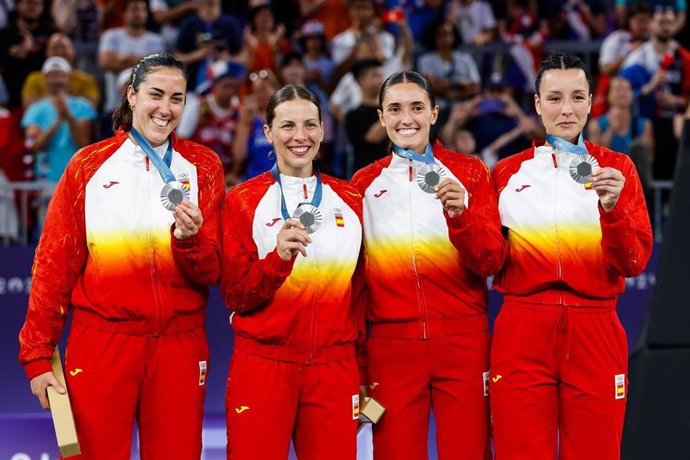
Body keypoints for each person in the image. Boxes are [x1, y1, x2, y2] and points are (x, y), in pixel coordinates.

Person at [18, 52, 225, 458]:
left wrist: (190, 240)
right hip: (102, 342)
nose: (165, 109)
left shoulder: (203, 166)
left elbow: (214, 270)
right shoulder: (88, 166)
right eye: (155, 94)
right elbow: (52, 266)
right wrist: (38, 355)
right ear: (132, 95)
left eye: (177, 98)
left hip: (179, 345)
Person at [489, 52, 654, 460]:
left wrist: (613, 209)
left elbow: (633, 263)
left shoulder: (618, 168)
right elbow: (487, 260)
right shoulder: (506, 173)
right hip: (523, 326)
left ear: (590, 101)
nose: (567, 109)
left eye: (578, 97)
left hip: (595, 327)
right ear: (537, 104)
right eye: (556, 98)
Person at [350, 71, 505, 459]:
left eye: (417, 107)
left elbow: (491, 260)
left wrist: (462, 217)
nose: (407, 119)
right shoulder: (363, 184)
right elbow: (354, 284)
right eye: (396, 109)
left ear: (434, 113)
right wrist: (358, 361)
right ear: (381, 117)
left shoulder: (469, 173)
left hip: (463, 342)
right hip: (391, 348)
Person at [221, 84, 363, 459]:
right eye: (287, 126)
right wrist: (277, 262)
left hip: (335, 367)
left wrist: (362, 366)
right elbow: (234, 295)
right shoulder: (243, 201)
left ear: (323, 130)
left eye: (310, 125)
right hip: (263, 364)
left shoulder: (350, 200)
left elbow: (363, 292)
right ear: (267, 131)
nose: (300, 137)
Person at [22, 56, 97, 185]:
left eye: (61, 75)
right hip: (46, 179)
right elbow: (33, 146)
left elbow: (83, 143)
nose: (57, 80)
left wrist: (67, 115)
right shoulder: (35, 109)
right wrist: (57, 122)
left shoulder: (83, 106)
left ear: (68, 78)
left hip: (75, 178)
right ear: (45, 79)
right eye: (52, 75)